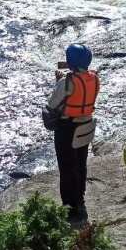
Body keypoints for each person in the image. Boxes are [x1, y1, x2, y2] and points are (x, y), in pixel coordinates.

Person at [44, 44, 100, 223]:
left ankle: (70, 208)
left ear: (70, 62)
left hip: (67, 129)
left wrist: (58, 82)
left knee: (67, 168)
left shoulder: (65, 83)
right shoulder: (95, 79)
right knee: (80, 164)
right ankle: (80, 200)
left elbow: (52, 105)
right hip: (86, 126)